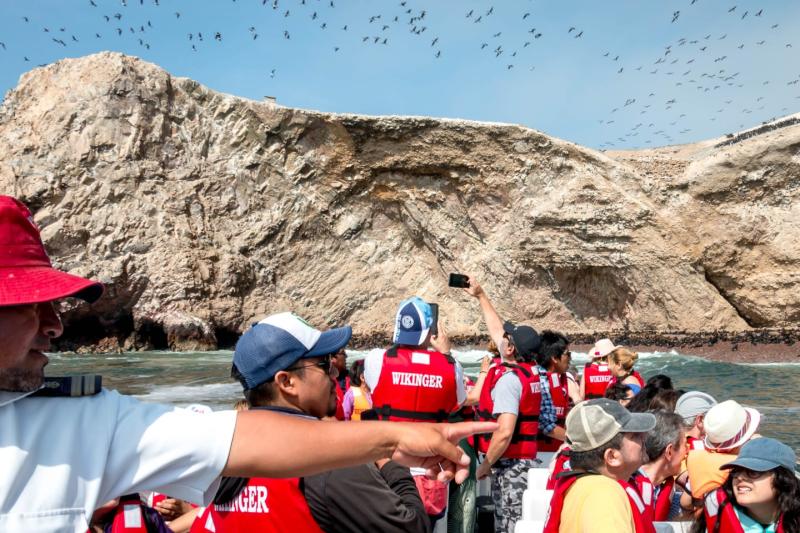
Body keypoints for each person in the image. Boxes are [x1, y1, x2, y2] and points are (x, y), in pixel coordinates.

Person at [0, 195, 496, 531]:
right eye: (30, 303)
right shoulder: (76, 426)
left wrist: (388, 438)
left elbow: (243, 438)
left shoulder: (82, 423)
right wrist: (388, 454)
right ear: (286, 381)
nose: (56, 325)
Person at [191, 312, 430, 533]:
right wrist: (387, 461)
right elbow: (413, 527)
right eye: (324, 365)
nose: (335, 374)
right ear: (286, 382)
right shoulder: (329, 461)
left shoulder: (222, 460)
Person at [463, 276, 566, 533]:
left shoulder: (511, 380)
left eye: (507, 338)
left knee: (508, 526)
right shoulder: (534, 373)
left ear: (510, 349)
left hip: (510, 467)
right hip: (522, 462)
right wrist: (480, 295)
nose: (502, 338)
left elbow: (505, 432)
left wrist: (485, 465)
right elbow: (497, 330)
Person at [364, 296, 467, 526]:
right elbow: (459, 401)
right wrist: (446, 355)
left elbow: (377, 383)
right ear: (431, 332)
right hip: (430, 471)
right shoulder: (452, 367)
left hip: (387, 469)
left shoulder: (377, 360)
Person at [543, 398, 657, 533]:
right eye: (635, 436)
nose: (644, 437)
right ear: (612, 457)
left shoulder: (583, 485)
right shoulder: (604, 494)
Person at [691, 437, 800, 533]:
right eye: (736, 471)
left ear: (783, 480)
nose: (739, 477)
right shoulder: (718, 513)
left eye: (753, 472)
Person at [685, 400, 761, 507]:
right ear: (744, 438)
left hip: (703, 519)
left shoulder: (696, 457)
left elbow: (685, 502)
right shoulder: (739, 467)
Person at [635, 411, 687, 522]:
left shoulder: (658, 487)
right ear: (669, 452)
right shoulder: (632, 490)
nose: (688, 451)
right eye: (685, 445)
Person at [536, 330, 573, 462]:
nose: (570, 358)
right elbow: (545, 425)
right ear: (554, 358)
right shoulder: (540, 381)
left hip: (556, 450)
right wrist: (576, 440)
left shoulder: (560, 378)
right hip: (540, 454)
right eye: (567, 354)